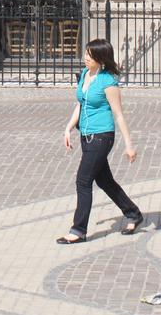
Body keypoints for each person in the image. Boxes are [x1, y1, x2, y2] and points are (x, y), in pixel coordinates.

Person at [56, 38, 141, 244]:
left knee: (83, 181)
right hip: (86, 134)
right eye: (85, 53)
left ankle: (78, 230)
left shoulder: (107, 81)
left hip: (102, 136)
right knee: (104, 180)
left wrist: (129, 145)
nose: (86, 58)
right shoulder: (85, 74)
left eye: (90, 55)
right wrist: (68, 128)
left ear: (101, 58)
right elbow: (81, 104)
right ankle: (133, 213)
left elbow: (119, 114)